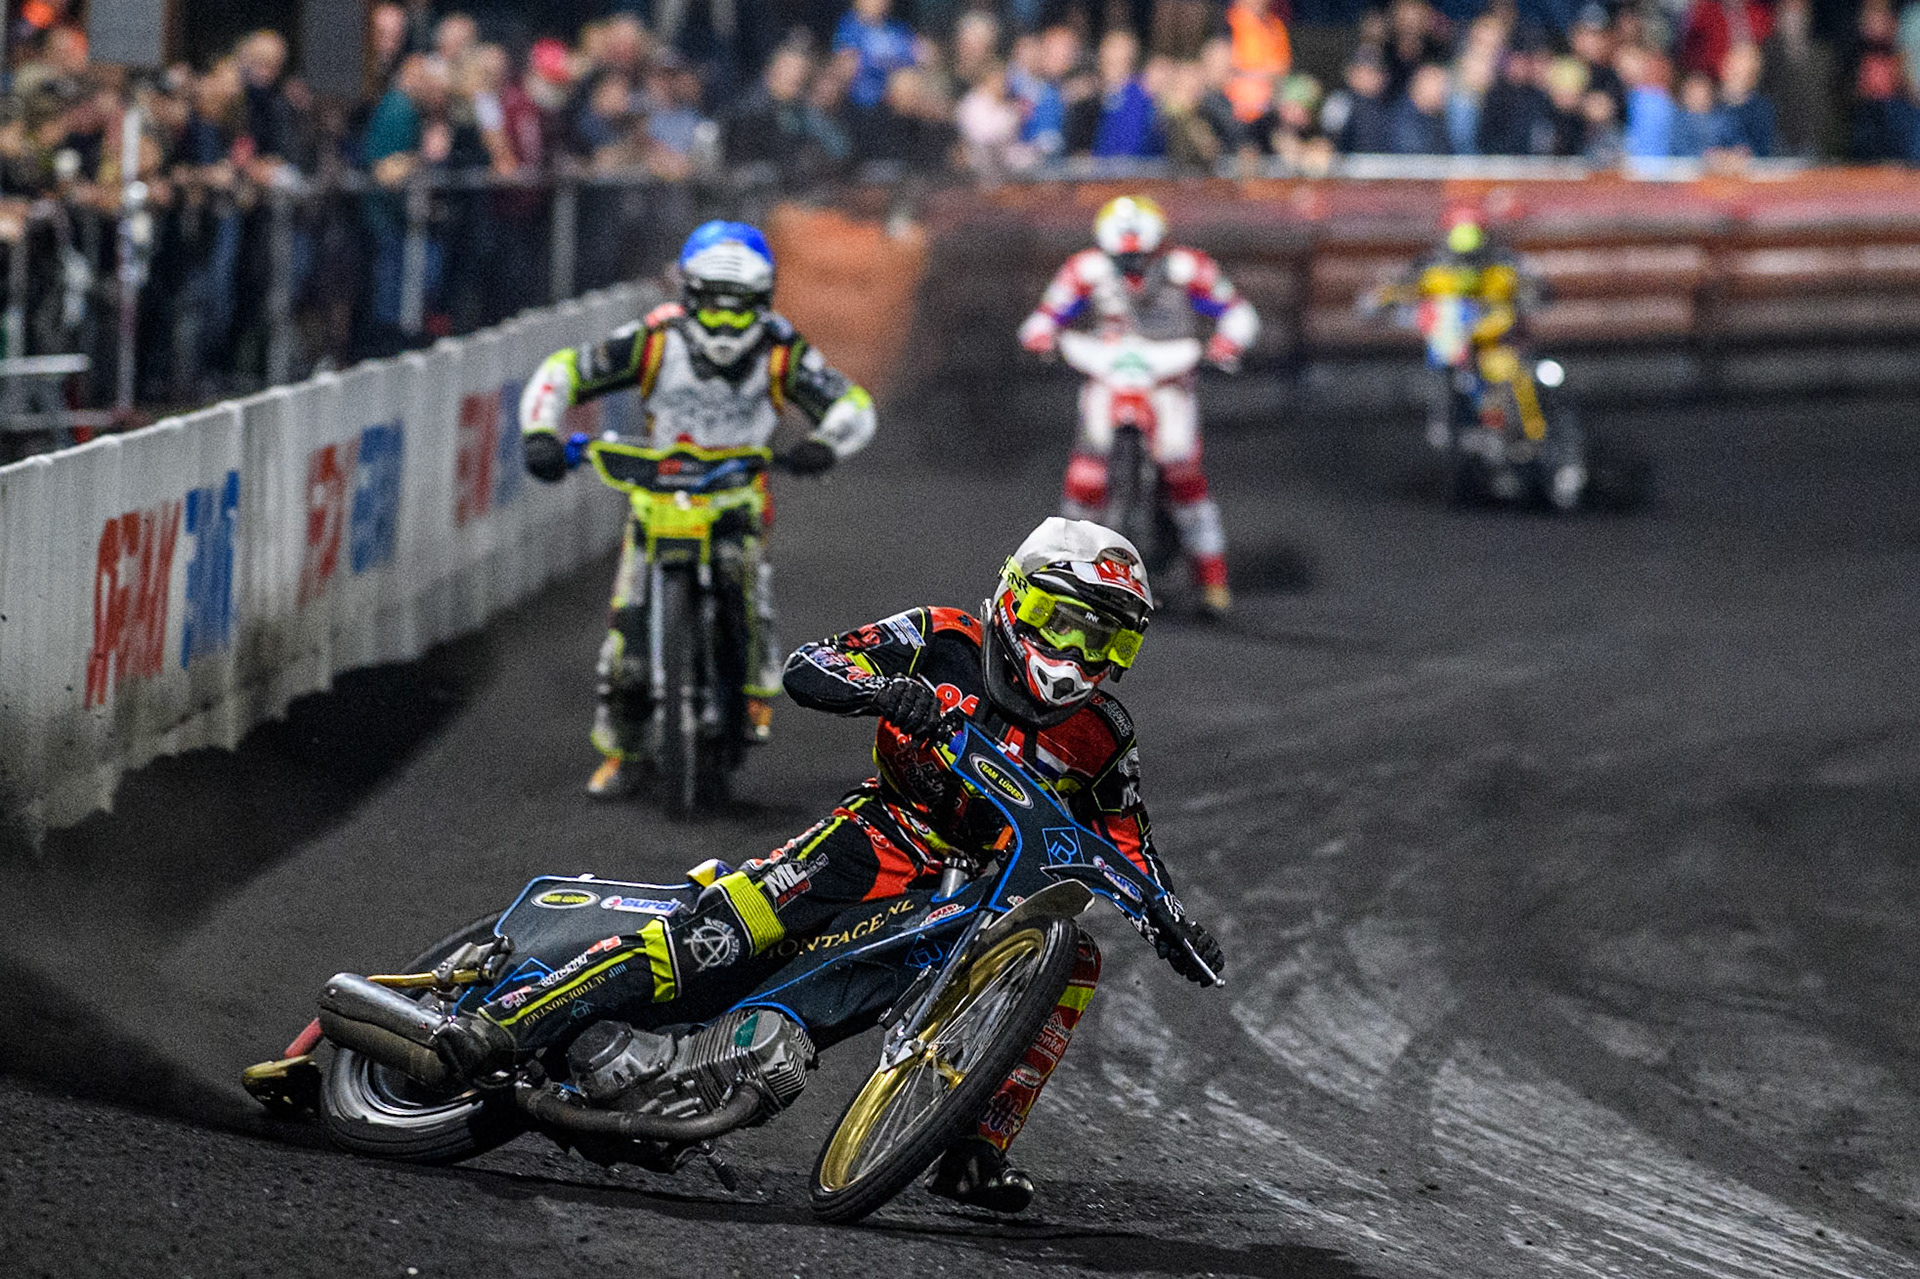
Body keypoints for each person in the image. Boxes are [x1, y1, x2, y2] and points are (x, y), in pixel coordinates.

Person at [432, 517, 1225, 1212]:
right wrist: (885, 690)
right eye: (1065, 622)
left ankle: (975, 1151)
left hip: (970, 891)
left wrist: (1172, 919)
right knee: (717, 936)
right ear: (1016, 598)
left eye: (1105, 640)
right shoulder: (945, 635)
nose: (1079, 653)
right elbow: (813, 662)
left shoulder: (1103, 734)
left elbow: (1127, 837)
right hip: (875, 835)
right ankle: (503, 1024)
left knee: (1075, 958)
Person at [518, 221, 877, 797]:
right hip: (657, 493)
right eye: (714, 301)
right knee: (627, 627)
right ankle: (623, 751)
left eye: (741, 305)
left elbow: (851, 403)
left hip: (737, 492)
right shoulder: (653, 338)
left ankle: (757, 691)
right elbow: (563, 371)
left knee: (746, 578)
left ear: (762, 299)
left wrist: (823, 444)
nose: (727, 319)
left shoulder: (782, 348)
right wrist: (540, 432)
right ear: (689, 292)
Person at [1018, 196, 1260, 616]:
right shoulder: (1084, 270)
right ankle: (1065, 572)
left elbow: (1238, 312)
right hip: (1107, 373)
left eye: (1141, 259)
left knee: (1183, 471)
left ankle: (1213, 585)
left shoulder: (1190, 269)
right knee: (1085, 476)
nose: (1132, 272)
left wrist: (1227, 343)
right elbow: (1044, 316)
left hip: (1168, 377)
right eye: (1122, 261)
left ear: (1161, 247)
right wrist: (1042, 337)